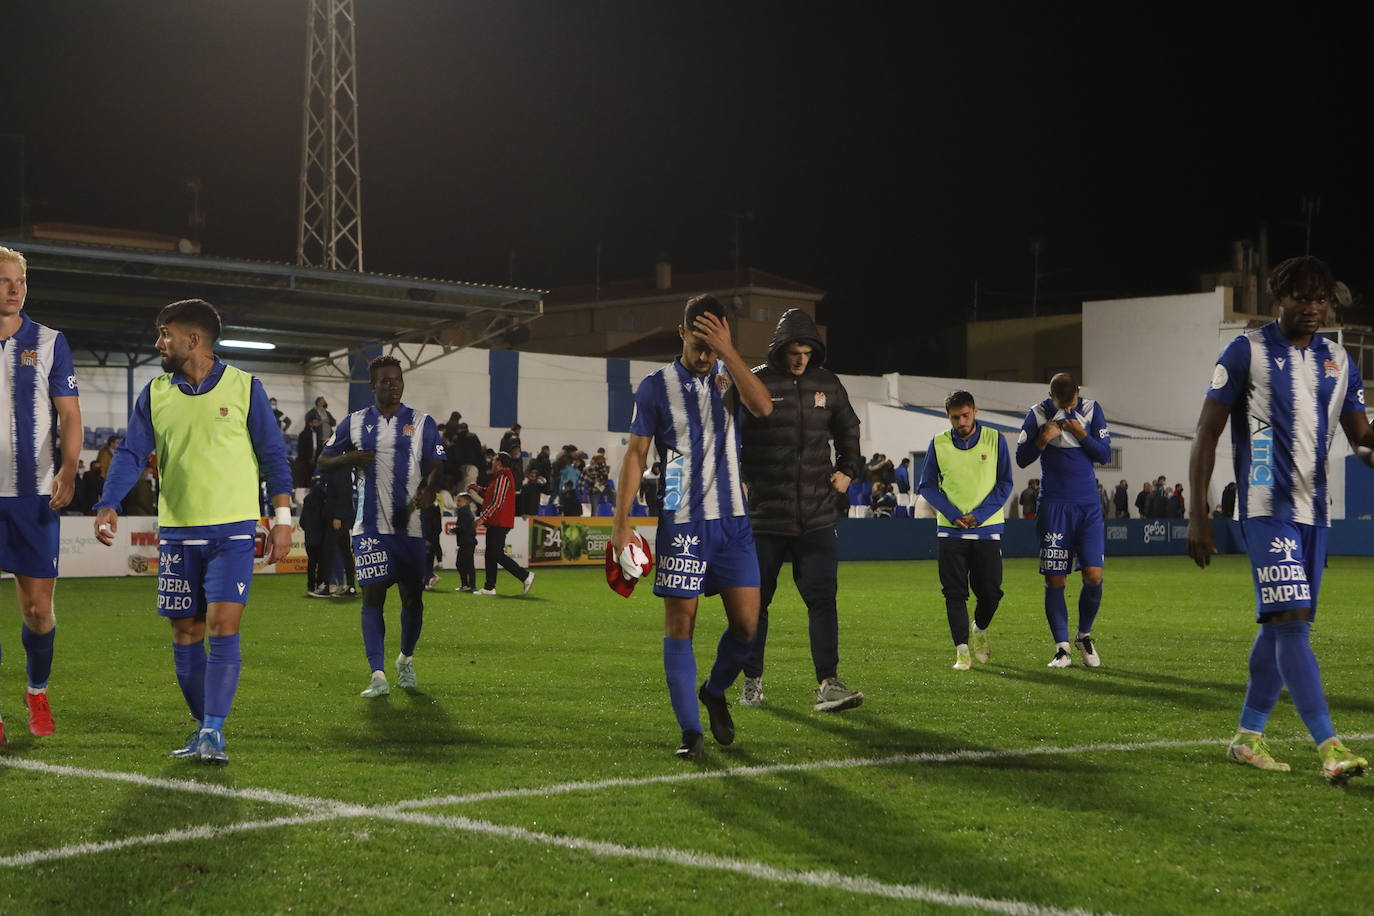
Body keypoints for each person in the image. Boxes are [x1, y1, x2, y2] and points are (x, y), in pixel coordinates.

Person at [1188, 255, 1371, 784]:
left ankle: (1247, 737)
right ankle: (1330, 748)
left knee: (1282, 627)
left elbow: (1361, 439)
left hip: (1316, 514)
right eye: (1302, 299)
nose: (1313, 309)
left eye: (1322, 300)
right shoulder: (1245, 351)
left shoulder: (1340, 362)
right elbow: (1206, 433)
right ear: (1279, 300)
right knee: (1291, 623)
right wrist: (1198, 516)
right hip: (1266, 507)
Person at [95, 298, 292, 764]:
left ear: (193, 339)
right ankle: (205, 727)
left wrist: (282, 521)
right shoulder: (155, 393)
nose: (158, 342)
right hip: (180, 535)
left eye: (164, 334)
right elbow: (129, 455)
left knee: (224, 627)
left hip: (233, 534)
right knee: (185, 631)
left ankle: (213, 731)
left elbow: (274, 457)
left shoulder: (246, 387)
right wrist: (108, 501)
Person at [610, 294, 773, 759]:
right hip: (682, 522)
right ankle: (691, 733)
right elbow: (636, 454)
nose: (706, 356)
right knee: (681, 624)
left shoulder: (732, 375)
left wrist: (730, 351)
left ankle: (715, 690)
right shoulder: (655, 386)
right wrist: (621, 525)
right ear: (681, 334)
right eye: (699, 344)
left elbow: (762, 408)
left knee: (747, 626)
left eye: (714, 345)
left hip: (734, 523)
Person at [735, 308, 863, 711]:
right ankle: (752, 681)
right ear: (780, 348)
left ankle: (829, 682)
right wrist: (736, 477)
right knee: (756, 602)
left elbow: (849, 431)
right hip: (766, 517)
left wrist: (847, 471)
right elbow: (726, 433)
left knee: (823, 599)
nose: (800, 358)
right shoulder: (755, 380)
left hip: (817, 516)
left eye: (807, 351)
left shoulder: (828, 384)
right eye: (794, 350)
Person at [317, 356, 445, 697]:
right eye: (386, 381)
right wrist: (348, 458)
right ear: (372, 385)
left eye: (398, 380)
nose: (394, 385)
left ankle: (405, 659)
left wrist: (429, 488)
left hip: (411, 529)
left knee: (412, 600)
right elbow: (323, 461)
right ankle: (377, 674)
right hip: (369, 528)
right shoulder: (353, 423)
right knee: (372, 598)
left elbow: (436, 464)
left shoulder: (422, 422)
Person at [0, 245, 82, 746]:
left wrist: (70, 469)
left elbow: (70, 415)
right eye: (5, 281)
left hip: (32, 497)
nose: (14, 289)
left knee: (37, 610)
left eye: (20, 282)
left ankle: (36, 690)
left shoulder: (49, 342)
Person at [1016, 372, 1112, 668]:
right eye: (1062, 404)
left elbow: (1105, 455)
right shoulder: (1037, 414)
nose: (1067, 409)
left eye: (1071, 403)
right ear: (1051, 396)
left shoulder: (1092, 410)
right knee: (1055, 578)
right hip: (1054, 506)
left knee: (1094, 575)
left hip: (1087, 506)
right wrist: (1042, 439)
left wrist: (1081, 434)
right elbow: (1021, 458)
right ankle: (1062, 648)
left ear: (1077, 394)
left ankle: (1084, 635)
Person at [917, 391, 1013, 670]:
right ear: (948, 416)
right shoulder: (938, 443)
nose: (961, 421)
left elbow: (1005, 483)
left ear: (975, 411)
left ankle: (979, 629)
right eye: (955, 417)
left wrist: (980, 516)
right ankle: (961, 651)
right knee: (954, 594)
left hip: (987, 529)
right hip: (951, 531)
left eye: (965, 415)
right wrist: (952, 514)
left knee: (991, 592)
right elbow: (927, 485)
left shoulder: (996, 439)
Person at [471, 452, 534, 595]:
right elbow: (492, 494)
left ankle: (525, 576)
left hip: (499, 521)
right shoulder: (501, 477)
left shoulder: (503, 477)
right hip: (497, 521)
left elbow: (497, 501)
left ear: (499, 463)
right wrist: (479, 489)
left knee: (496, 554)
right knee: (491, 554)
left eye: (494, 460)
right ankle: (489, 587)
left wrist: (482, 518)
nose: (492, 463)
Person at [300, 474, 330, 596]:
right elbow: (325, 518)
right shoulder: (324, 501)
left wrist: (309, 530)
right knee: (321, 562)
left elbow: (302, 522)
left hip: (310, 538)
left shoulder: (307, 502)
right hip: (321, 537)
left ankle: (310, 586)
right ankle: (320, 584)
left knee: (312, 562)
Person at [451, 491, 479, 592]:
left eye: (459, 501)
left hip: (467, 542)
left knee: (461, 564)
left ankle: (468, 585)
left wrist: (454, 530)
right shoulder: (466, 512)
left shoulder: (464, 512)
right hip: (468, 542)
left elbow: (463, 527)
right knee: (468, 564)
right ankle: (469, 585)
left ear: (466, 502)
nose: (457, 503)